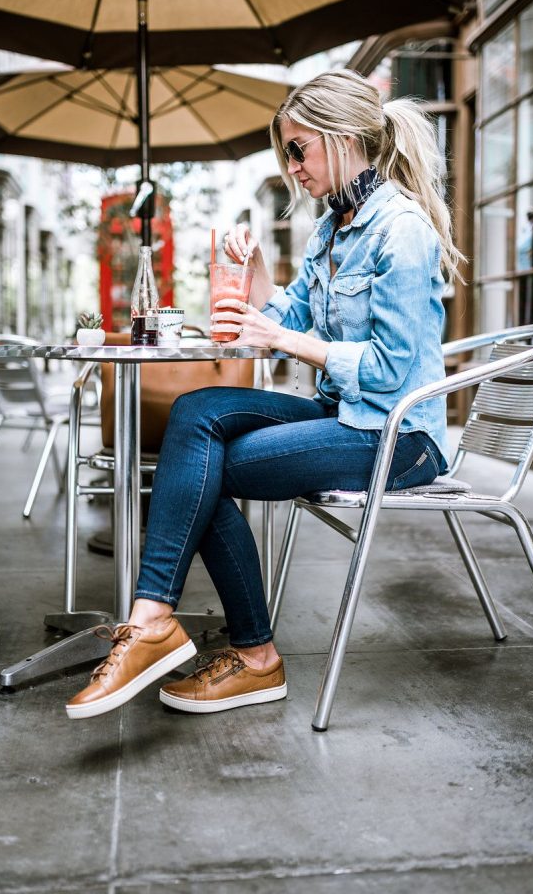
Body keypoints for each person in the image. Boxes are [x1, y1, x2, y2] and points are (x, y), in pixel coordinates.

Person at [65, 68, 463, 721]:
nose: (290, 167)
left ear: (340, 138)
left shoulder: (401, 230)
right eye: (285, 153)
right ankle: (158, 621)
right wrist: (251, 276)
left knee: (204, 471)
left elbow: (390, 371)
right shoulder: (335, 228)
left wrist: (281, 334)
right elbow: (287, 320)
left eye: (297, 149)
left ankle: (238, 653)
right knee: (195, 416)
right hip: (344, 416)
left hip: (400, 437)